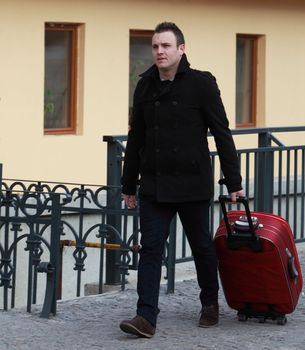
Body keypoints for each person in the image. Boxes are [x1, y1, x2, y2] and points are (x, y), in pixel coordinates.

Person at [119, 21, 244, 338]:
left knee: (202, 246)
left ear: (181, 49)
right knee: (150, 249)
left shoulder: (201, 84)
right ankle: (145, 317)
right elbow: (136, 139)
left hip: (192, 183)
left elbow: (222, 134)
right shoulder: (145, 85)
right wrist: (128, 185)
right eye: (155, 46)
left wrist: (234, 182)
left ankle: (210, 303)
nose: (159, 51)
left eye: (166, 46)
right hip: (155, 185)